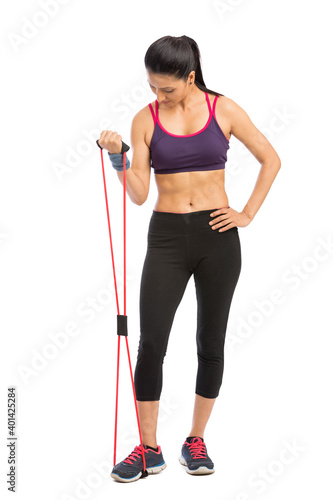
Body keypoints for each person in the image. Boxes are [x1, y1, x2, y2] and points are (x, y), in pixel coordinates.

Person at [98, 35, 281, 483]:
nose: (158, 96)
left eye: (167, 89)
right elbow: (139, 195)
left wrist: (246, 214)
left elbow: (271, 159)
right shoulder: (146, 119)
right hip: (165, 237)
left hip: (218, 236)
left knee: (210, 342)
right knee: (151, 343)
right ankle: (148, 450)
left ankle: (195, 439)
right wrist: (120, 156)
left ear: (190, 77)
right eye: (152, 87)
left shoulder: (224, 109)